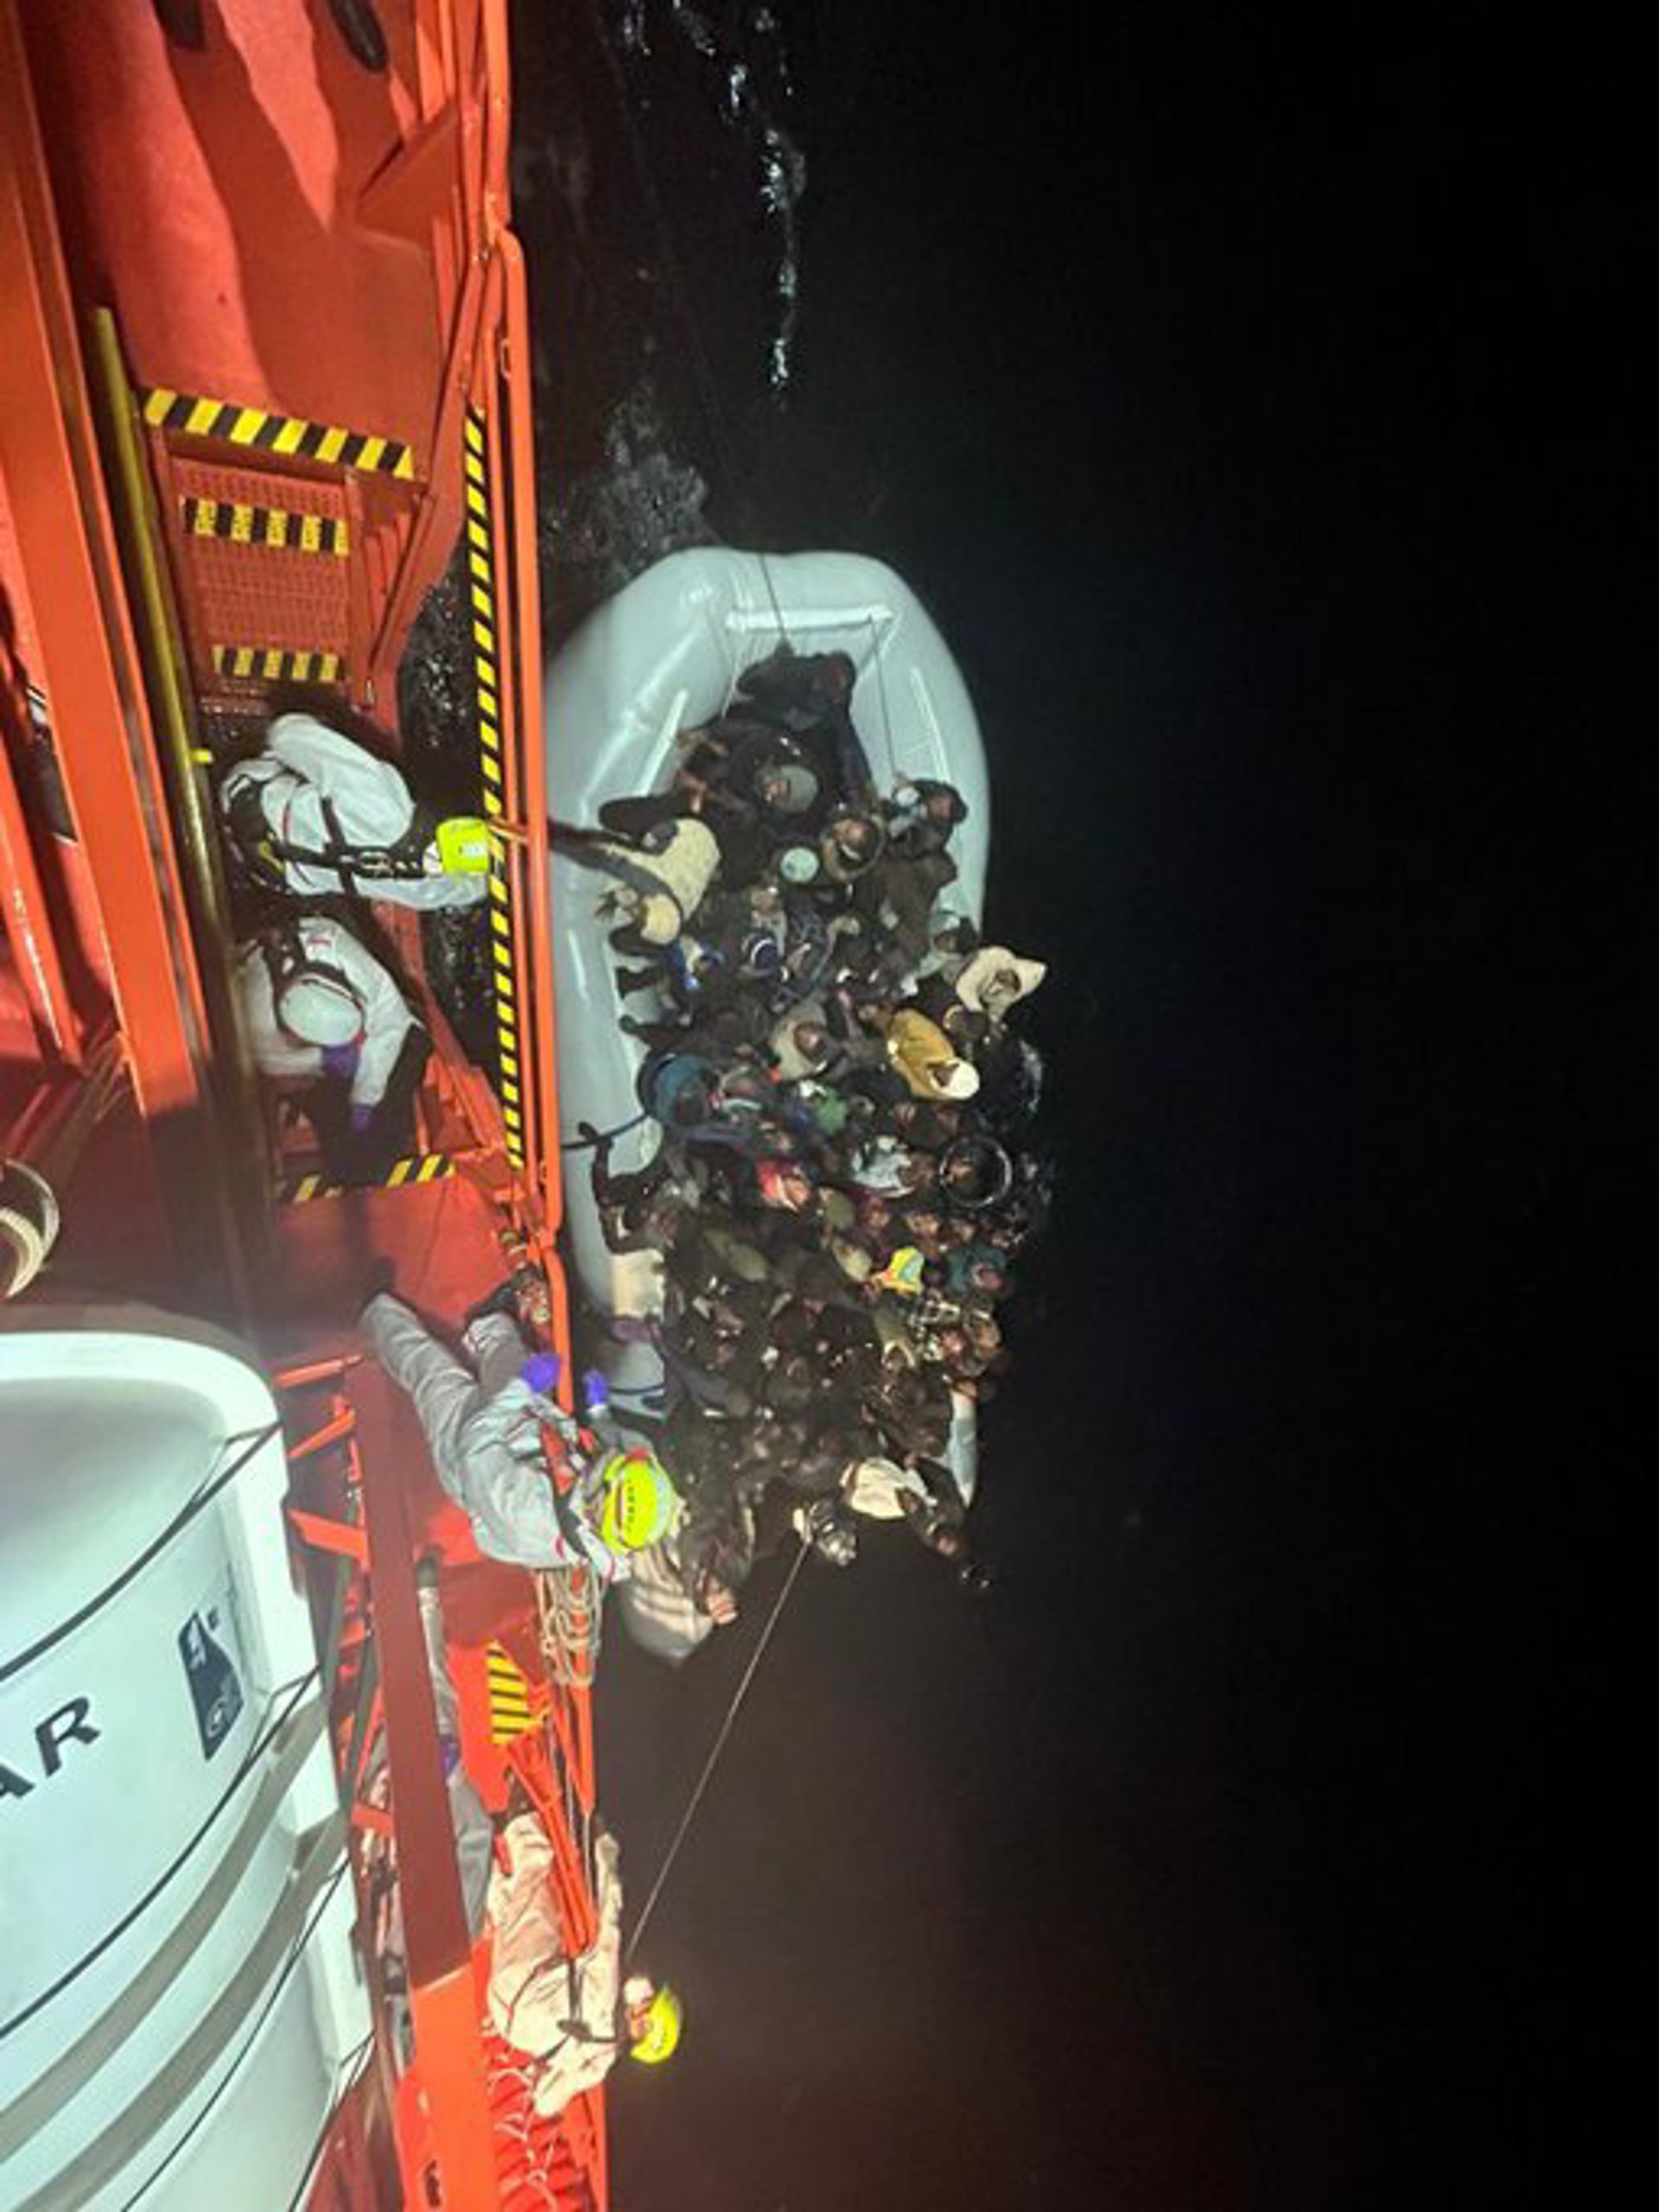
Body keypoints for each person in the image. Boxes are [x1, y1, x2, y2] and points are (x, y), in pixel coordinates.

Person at [361, 1286, 678, 1579]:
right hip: (532, 1437)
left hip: (468, 1455)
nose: (610, 1458)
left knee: (430, 1369)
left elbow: (475, 1441)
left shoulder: (526, 1513)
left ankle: (371, 1314)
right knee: (506, 1352)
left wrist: (523, 1387)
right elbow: (604, 1451)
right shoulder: (599, 1503)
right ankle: (486, 1325)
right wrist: (599, 1413)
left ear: (600, 1499)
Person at [487, 1815, 682, 2114]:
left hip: (520, 1980)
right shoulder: (602, 2062)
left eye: (647, 2000)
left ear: (641, 2025)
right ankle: (475, 1869)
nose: (645, 1991)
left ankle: (518, 1817)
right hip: (507, 2021)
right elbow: (545, 2104)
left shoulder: (607, 1983)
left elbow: (611, 1905)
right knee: (515, 1916)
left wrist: (604, 1844)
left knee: (536, 1867)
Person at [219, 711, 489, 908]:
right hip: (277, 839)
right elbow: (287, 734)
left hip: (270, 825)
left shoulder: (422, 889)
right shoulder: (373, 802)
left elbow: (286, 733)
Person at [233, 915, 428, 1178]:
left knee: (411, 1044)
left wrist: (365, 1099)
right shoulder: (254, 1024)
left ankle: (368, 1163)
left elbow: (391, 1021)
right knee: (333, 1114)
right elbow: (276, 1068)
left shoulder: (339, 952)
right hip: (308, 1067)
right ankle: (353, 1170)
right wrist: (324, 1060)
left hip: (339, 1038)